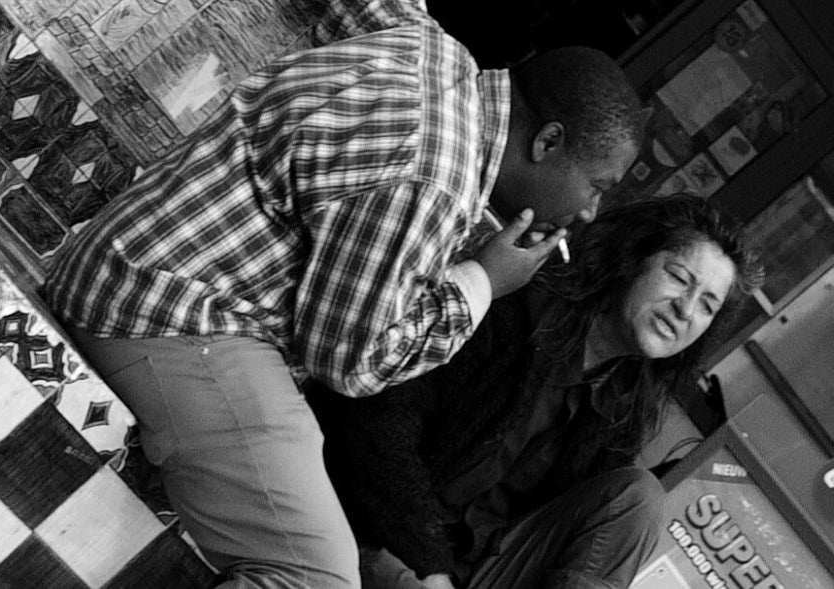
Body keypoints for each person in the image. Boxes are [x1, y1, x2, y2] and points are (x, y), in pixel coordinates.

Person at [41, 0, 645, 586]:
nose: (590, 212)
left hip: (130, 262)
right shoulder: (436, 183)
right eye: (597, 186)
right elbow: (352, 361)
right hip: (172, 317)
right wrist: (484, 280)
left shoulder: (430, 49)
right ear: (547, 142)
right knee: (319, 578)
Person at [309, 193, 765, 589]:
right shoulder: (519, 309)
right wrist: (431, 569)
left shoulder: (623, 408)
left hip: (471, 573)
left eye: (707, 305)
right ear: (634, 260)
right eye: (679, 278)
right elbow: (375, 430)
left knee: (639, 498)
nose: (686, 310)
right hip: (371, 530)